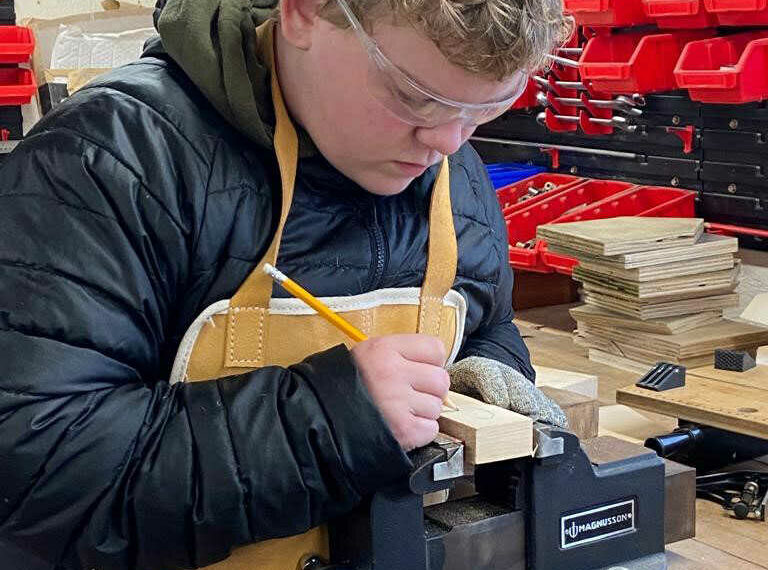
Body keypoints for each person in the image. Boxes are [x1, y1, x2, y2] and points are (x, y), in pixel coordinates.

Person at [0, 0, 569, 568]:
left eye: (486, 107)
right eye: (414, 96)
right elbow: (37, 475)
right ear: (303, 14)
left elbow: (485, 324)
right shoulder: (112, 160)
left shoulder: (454, 175)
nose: (448, 141)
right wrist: (331, 422)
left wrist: (484, 377)